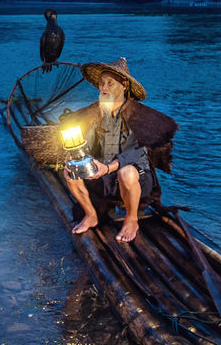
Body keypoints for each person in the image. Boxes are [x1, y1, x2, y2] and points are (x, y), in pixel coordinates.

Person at [61, 58, 178, 243]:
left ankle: (132, 220)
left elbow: (139, 153)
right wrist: (75, 156)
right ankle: (91, 215)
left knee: (127, 172)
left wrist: (108, 168)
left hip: (136, 176)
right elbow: (86, 143)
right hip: (105, 175)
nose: (104, 88)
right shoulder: (96, 112)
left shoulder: (139, 115)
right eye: (101, 84)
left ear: (123, 86)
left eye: (110, 83)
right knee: (70, 172)